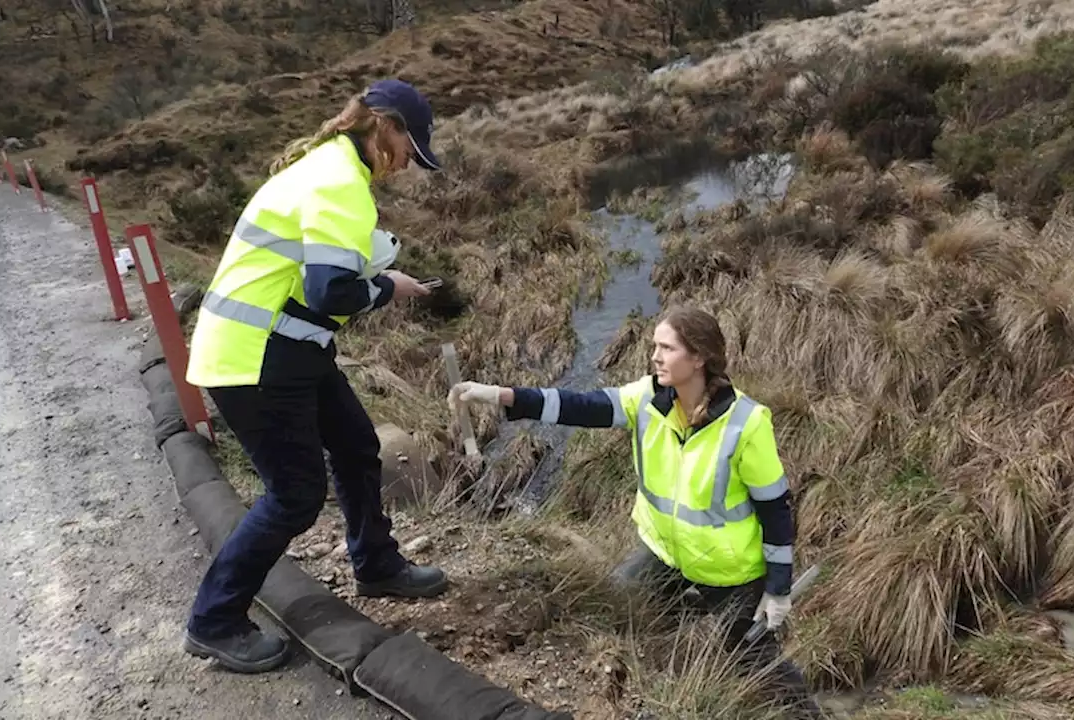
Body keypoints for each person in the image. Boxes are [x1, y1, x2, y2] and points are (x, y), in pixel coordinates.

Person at [181, 78, 450, 674]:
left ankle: (376, 564)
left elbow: (312, 280)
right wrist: (388, 286)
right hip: (254, 359)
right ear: (385, 128)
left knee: (357, 445)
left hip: (289, 348)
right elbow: (331, 290)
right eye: (410, 150)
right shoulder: (339, 183)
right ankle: (215, 620)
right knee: (295, 495)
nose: (407, 165)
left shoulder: (328, 166)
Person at [448, 306, 820, 714]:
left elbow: (775, 510)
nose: (655, 357)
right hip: (664, 552)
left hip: (727, 572)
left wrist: (778, 587)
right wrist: (503, 396)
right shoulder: (647, 398)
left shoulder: (746, 424)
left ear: (698, 358)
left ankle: (806, 714)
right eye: (654, 346)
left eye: (667, 348)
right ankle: (657, 668)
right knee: (618, 602)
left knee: (751, 657)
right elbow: (582, 406)